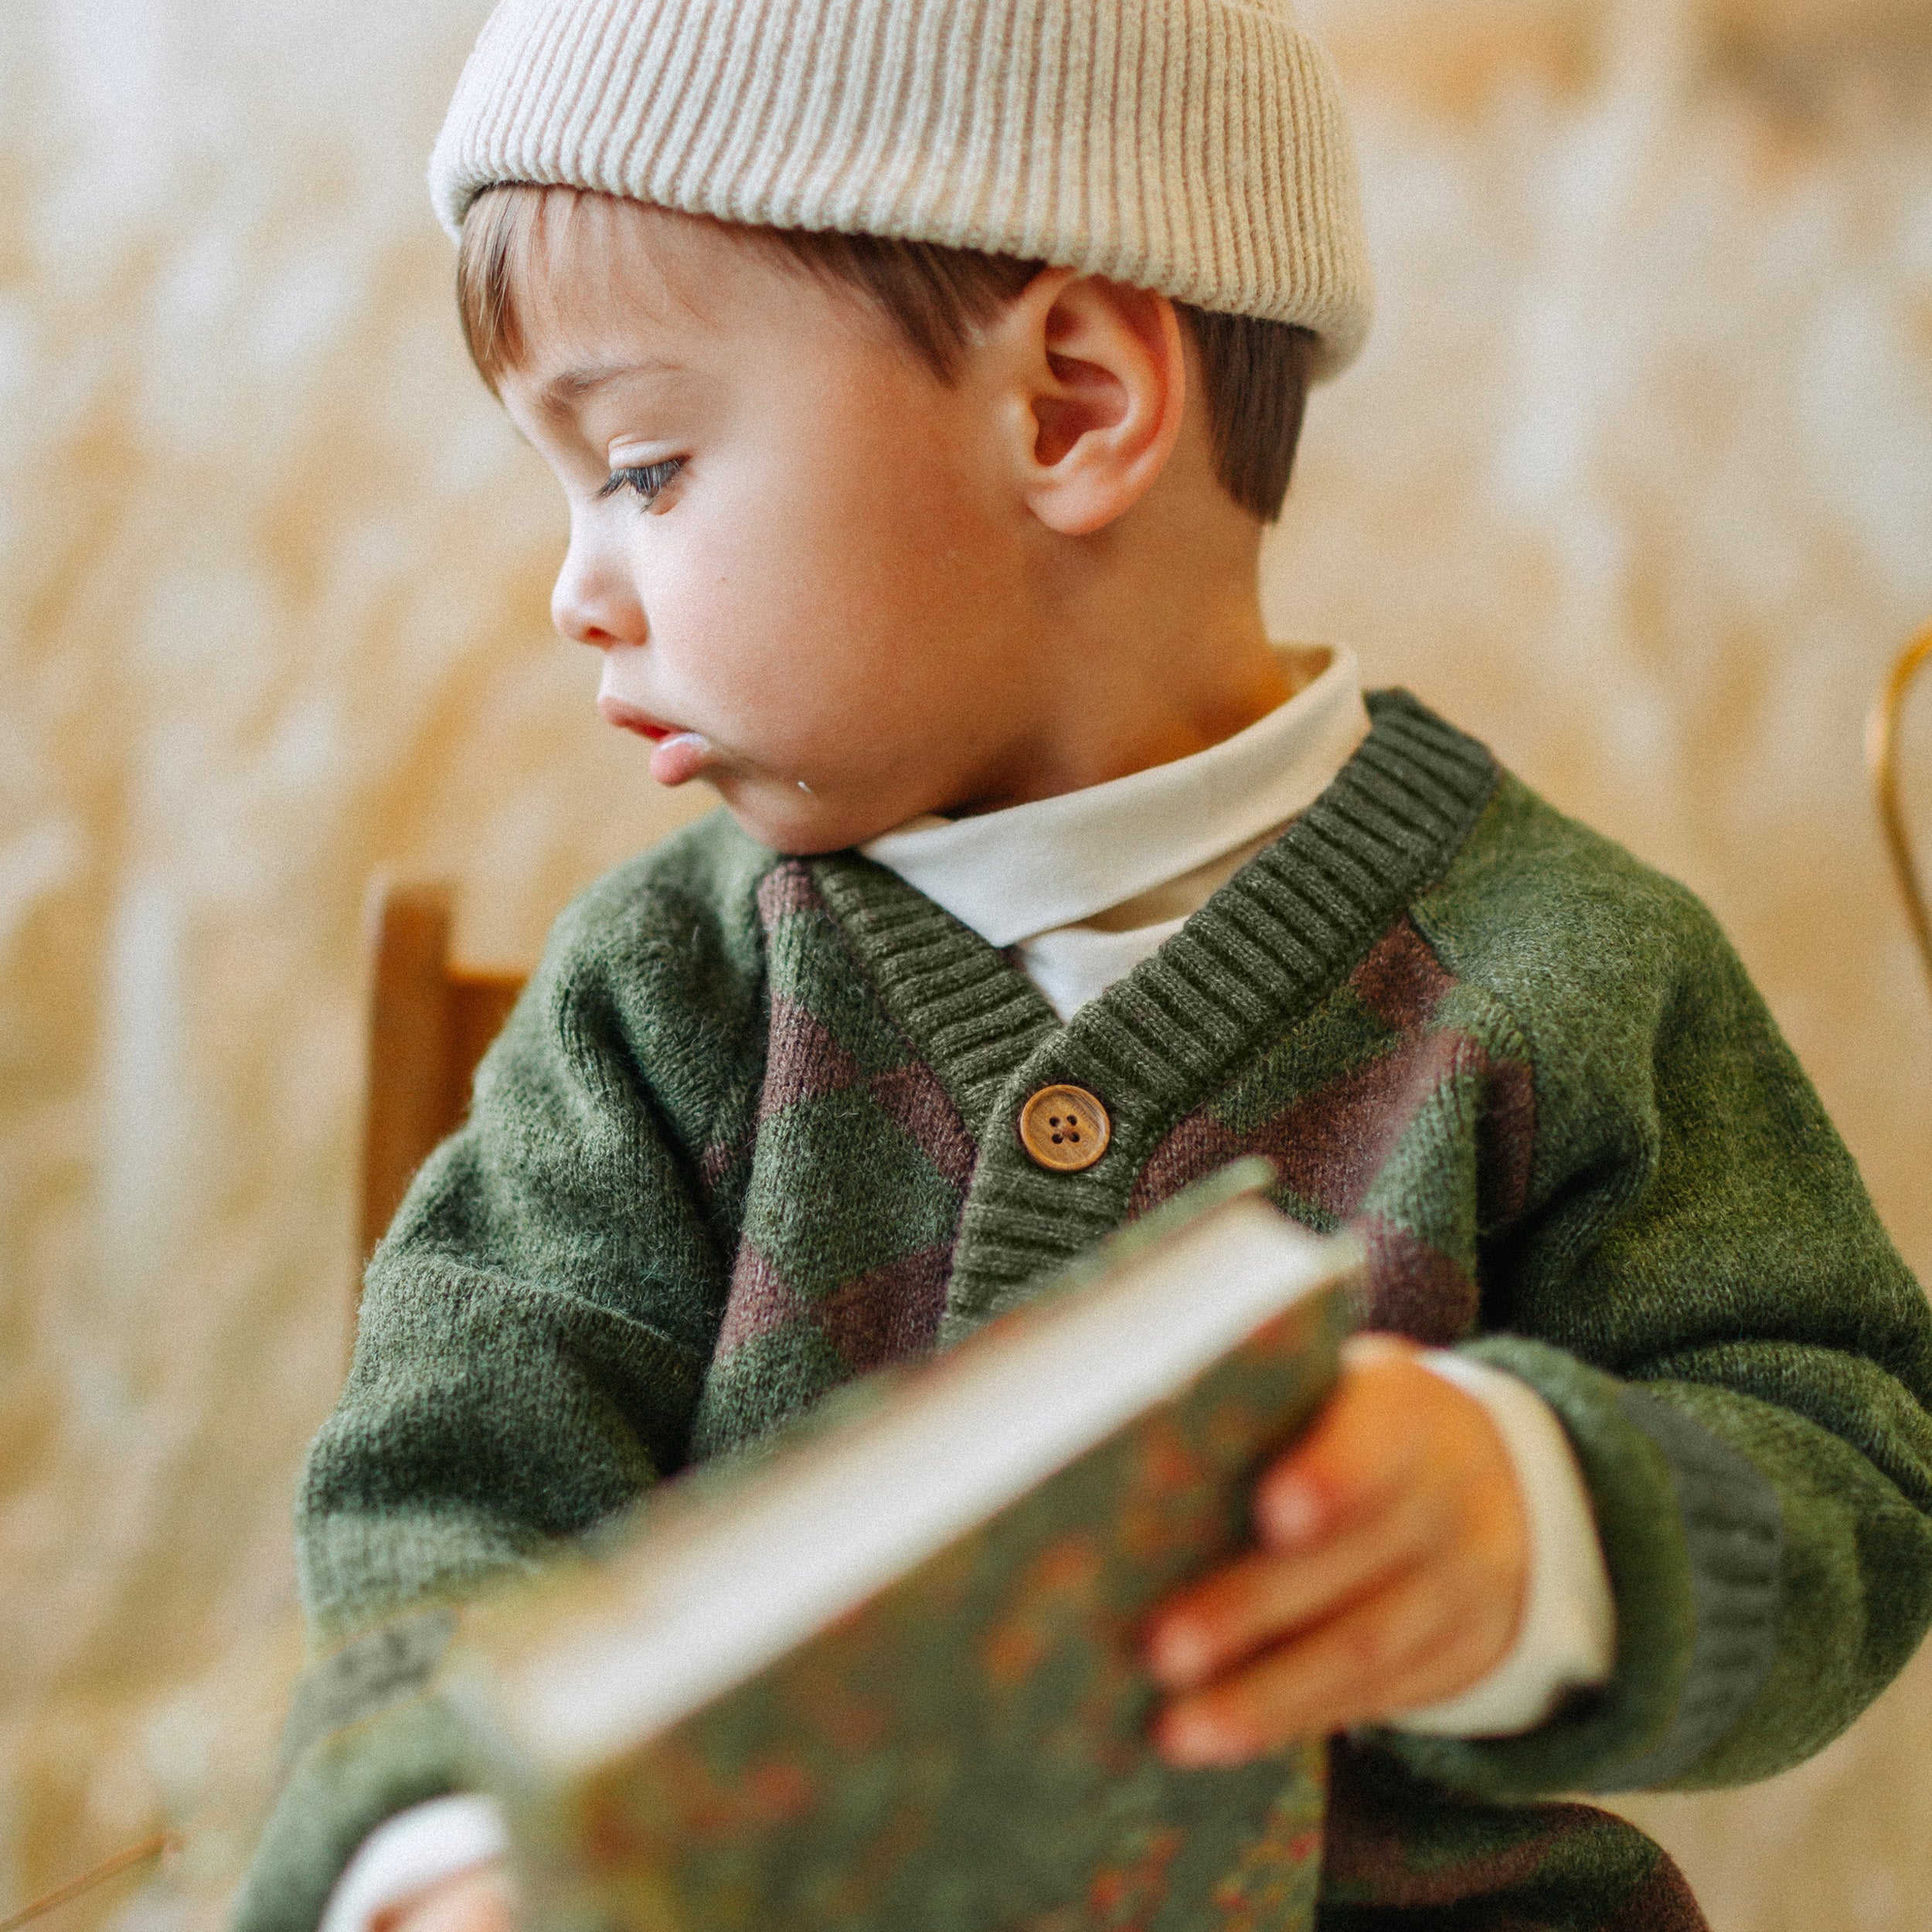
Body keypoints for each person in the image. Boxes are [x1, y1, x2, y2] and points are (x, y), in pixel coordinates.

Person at [236, 2, 1932, 1929]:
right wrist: (450, 1850)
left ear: (1067, 407)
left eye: (641, 465)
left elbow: (1856, 1472)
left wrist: (1537, 1519)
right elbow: (437, 1502)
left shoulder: (1567, 974)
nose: (574, 588)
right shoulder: (661, 1000)